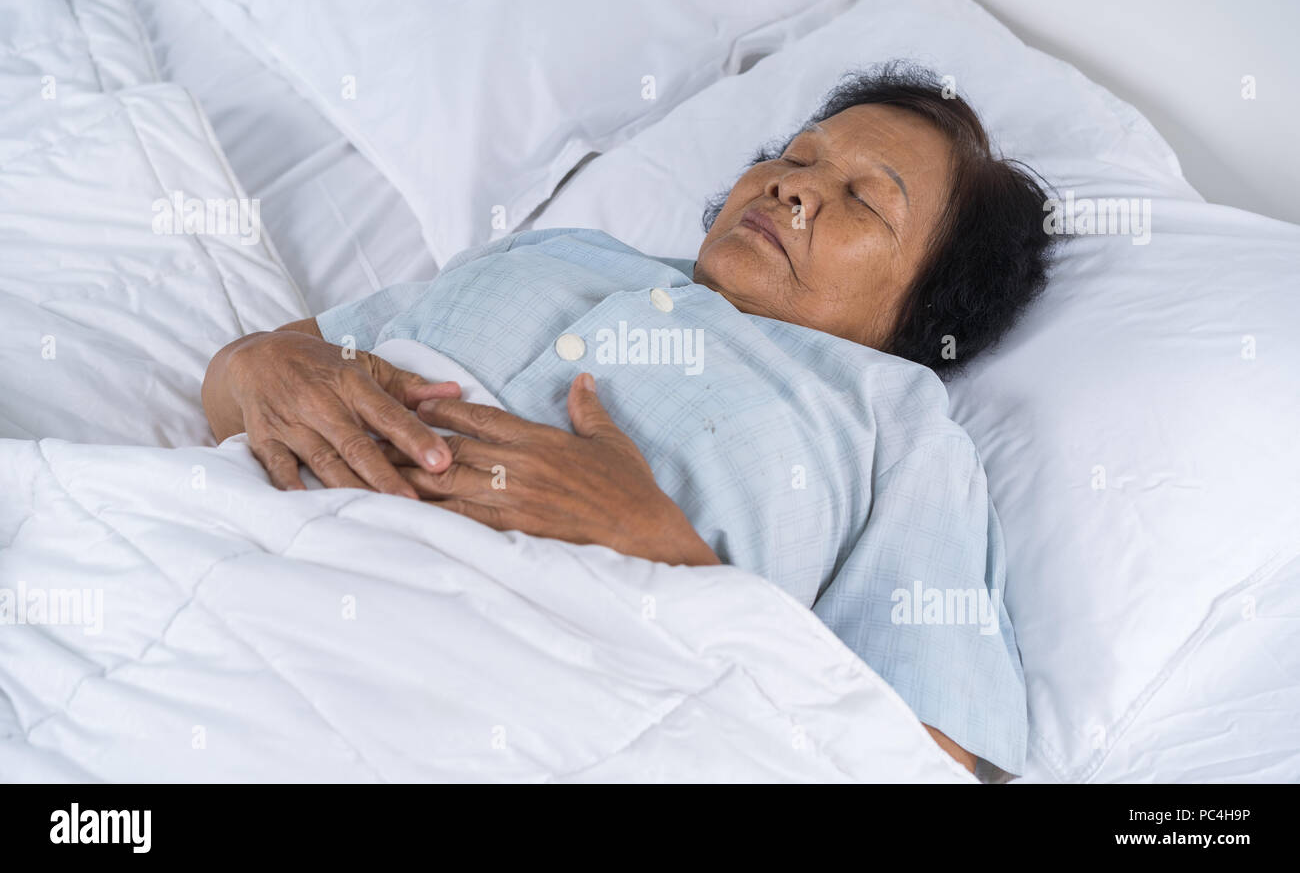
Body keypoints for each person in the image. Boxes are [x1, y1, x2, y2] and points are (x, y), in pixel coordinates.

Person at [202, 61, 1054, 780]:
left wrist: (659, 550)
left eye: (864, 201)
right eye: (796, 158)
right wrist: (256, 363)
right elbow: (250, 389)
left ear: (925, 306)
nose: (793, 186)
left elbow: (924, 762)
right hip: (230, 553)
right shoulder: (557, 251)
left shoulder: (894, 430)